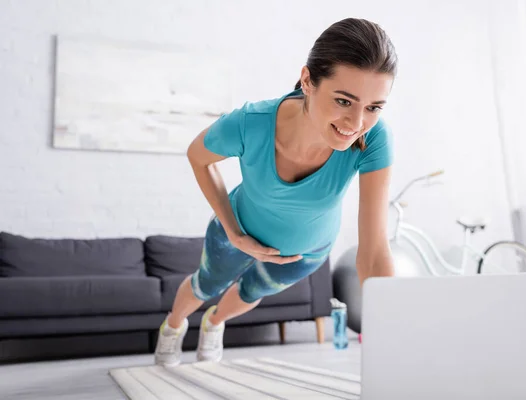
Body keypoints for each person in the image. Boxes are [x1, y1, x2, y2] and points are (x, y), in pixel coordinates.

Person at [154, 17, 397, 367]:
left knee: (251, 292)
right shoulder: (250, 123)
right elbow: (198, 157)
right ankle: (173, 328)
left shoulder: (374, 139)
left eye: (374, 107)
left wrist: (391, 334)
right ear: (308, 81)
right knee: (206, 285)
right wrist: (236, 236)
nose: (357, 123)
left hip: (306, 252)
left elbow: (374, 251)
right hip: (238, 229)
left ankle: (214, 323)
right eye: (344, 101)